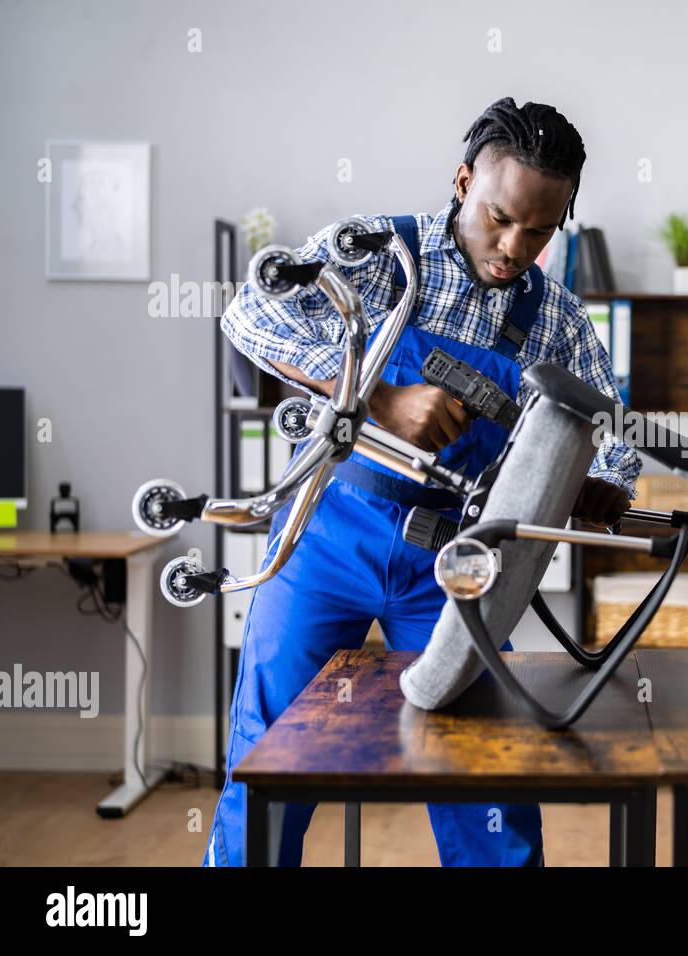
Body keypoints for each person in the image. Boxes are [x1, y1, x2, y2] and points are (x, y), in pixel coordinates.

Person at [205, 97, 640, 866]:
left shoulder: (557, 319)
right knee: (273, 755)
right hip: (326, 537)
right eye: (499, 217)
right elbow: (247, 317)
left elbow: (615, 434)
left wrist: (604, 482)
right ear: (463, 179)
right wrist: (371, 393)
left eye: (540, 230)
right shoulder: (375, 254)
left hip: (456, 566)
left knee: (484, 770)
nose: (514, 247)